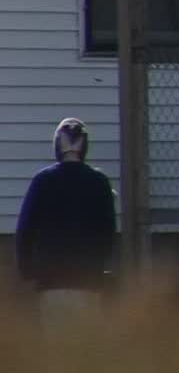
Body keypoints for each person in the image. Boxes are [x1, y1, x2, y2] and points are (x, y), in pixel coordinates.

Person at [15, 119, 117, 328]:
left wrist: (27, 269)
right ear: (84, 146)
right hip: (88, 282)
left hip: (51, 284)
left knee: (55, 350)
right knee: (85, 350)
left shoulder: (42, 180)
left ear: (56, 146)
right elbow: (108, 233)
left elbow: (25, 230)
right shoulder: (99, 182)